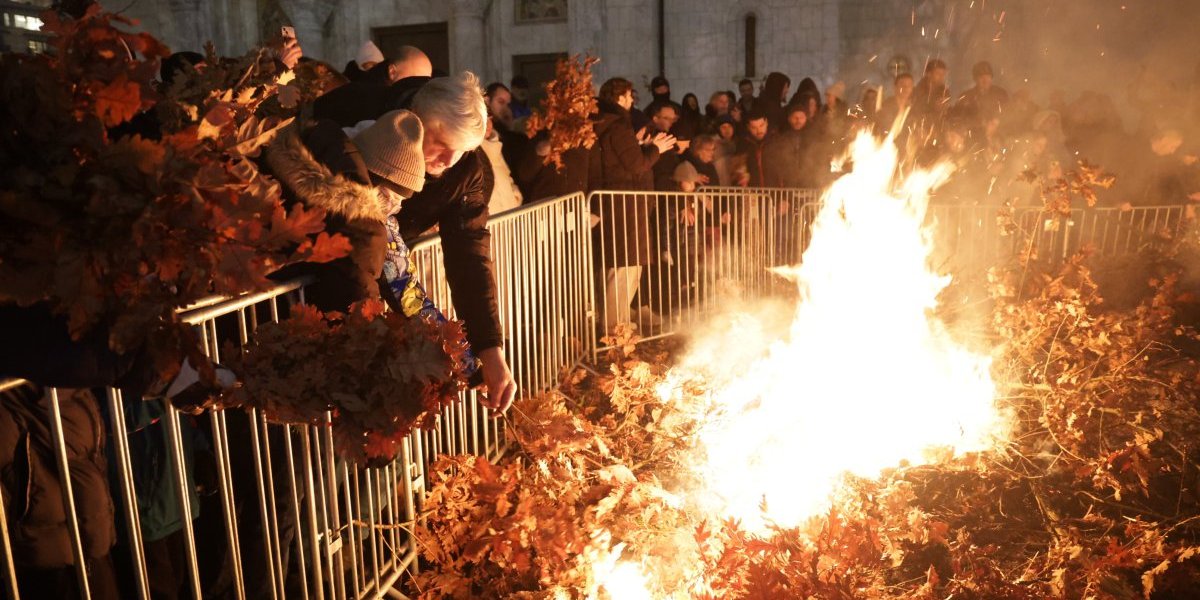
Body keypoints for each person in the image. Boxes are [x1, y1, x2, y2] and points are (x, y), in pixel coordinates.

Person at [589, 77, 676, 332]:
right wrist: (656, 149)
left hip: (622, 205)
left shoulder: (608, 124)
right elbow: (636, 165)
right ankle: (614, 330)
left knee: (626, 267)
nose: (631, 101)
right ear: (619, 97)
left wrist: (640, 146)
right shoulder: (617, 125)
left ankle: (618, 325)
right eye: (628, 96)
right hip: (624, 207)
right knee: (624, 267)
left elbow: (623, 160)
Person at [312, 45, 434, 129]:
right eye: (414, 80)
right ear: (392, 72)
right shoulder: (362, 99)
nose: (417, 88)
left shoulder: (390, 102)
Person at [954, 61, 1008, 127]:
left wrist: (997, 122)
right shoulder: (966, 97)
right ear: (975, 79)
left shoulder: (1001, 94)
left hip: (999, 130)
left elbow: (1008, 114)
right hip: (974, 131)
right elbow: (959, 119)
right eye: (981, 77)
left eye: (988, 76)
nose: (985, 80)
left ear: (991, 78)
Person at [739, 110, 771, 187]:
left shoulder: (778, 142)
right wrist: (741, 178)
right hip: (753, 192)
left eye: (761, 125)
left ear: (766, 123)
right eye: (754, 128)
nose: (759, 131)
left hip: (776, 192)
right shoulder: (742, 146)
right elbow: (738, 171)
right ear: (748, 127)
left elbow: (787, 170)